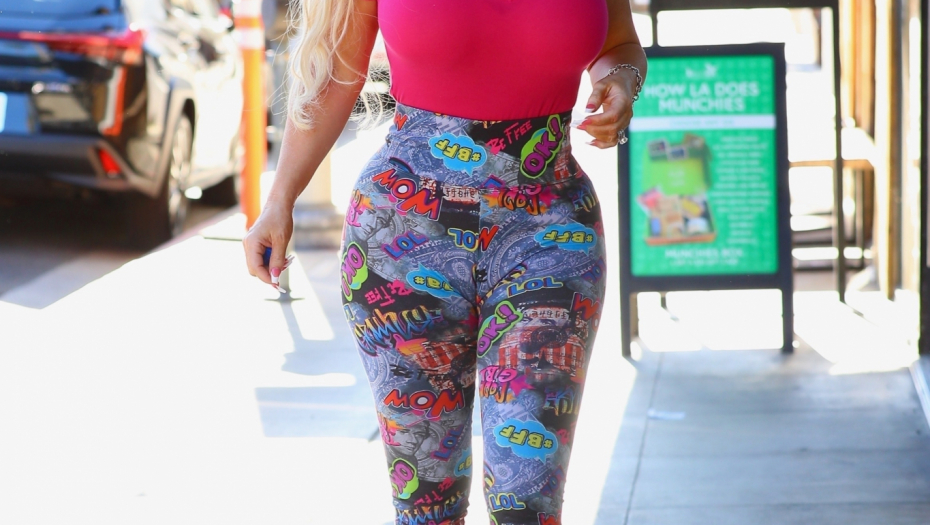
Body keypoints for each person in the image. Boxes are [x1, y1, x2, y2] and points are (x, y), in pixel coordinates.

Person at [244, 1, 646, 523]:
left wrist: (622, 80)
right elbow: (334, 74)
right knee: (426, 509)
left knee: (527, 504)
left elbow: (620, 46)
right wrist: (279, 200)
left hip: (551, 238)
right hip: (400, 239)